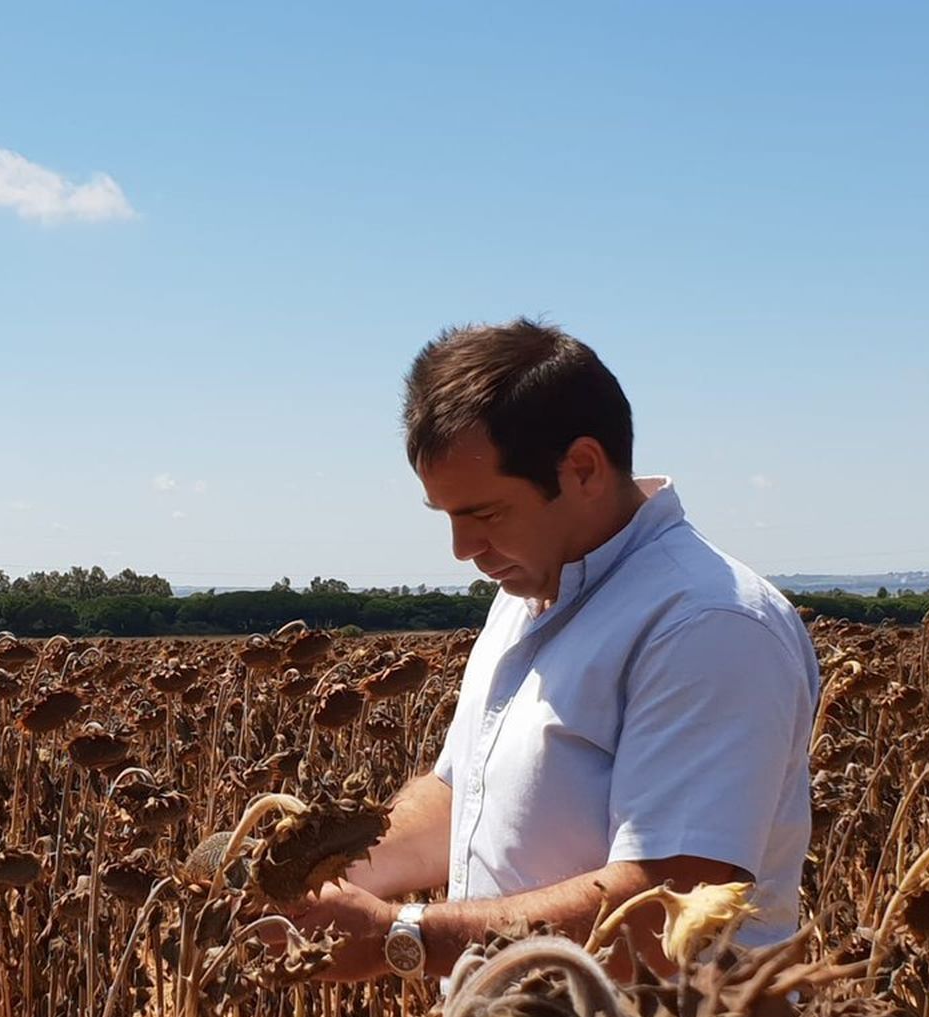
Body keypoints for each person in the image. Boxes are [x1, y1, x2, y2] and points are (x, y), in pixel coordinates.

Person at [292, 319, 820, 981]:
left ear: (583, 469)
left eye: (485, 515)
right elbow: (467, 798)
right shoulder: (526, 593)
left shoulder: (708, 625)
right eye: (448, 516)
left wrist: (404, 938)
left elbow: (673, 909)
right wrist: (318, 872)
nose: (463, 550)